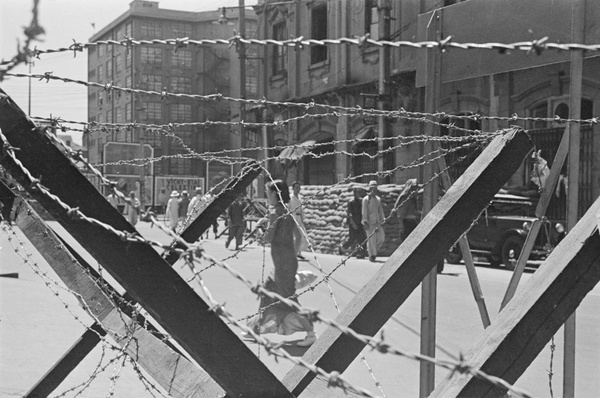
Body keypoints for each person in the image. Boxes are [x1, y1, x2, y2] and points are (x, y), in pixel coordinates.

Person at [246, 180, 317, 347]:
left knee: (289, 300)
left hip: (282, 265)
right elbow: (298, 237)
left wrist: (259, 228)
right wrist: (292, 254)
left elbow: (267, 238)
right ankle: (255, 329)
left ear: (275, 194)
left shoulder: (275, 213)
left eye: (268, 193)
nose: (267, 196)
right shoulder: (287, 211)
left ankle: (311, 333)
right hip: (287, 262)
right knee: (267, 292)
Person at [340, 187, 368, 258]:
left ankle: (361, 253)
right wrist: (353, 224)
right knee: (352, 239)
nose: (358, 194)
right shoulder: (351, 203)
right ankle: (342, 248)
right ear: (354, 194)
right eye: (357, 193)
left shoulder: (361, 202)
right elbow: (349, 215)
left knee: (362, 238)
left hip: (360, 223)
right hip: (353, 224)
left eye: (359, 193)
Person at [362, 180, 385, 262]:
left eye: (375, 188)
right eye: (372, 188)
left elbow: (380, 210)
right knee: (371, 240)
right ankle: (372, 255)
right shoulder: (366, 199)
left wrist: (383, 219)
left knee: (381, 238)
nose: (374, 190)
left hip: (377, 222)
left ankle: (374, 251)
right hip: (369, 222)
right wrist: (365, 222)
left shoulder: (378, 199)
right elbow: (364, 211)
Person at [394, 179, 421, 243]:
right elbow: (401, 213)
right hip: (406, 223)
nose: (414, 190)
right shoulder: (405, 198)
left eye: (415, 188)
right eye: (413, 188)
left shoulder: (413, 199)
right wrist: (401, 225)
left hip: (413, 222)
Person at [289, 181, 309, 260]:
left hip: (299, 217)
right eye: (296, 187)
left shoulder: (300, 198)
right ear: (293, 188)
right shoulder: (290, 198)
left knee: (301, 234)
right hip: (293, 217)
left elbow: (302, 209)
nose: (298, 189)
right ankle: (293, 252)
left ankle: (299, 252)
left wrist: (304, 219)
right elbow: (289, 208)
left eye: (299, 188)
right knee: (295, 236)